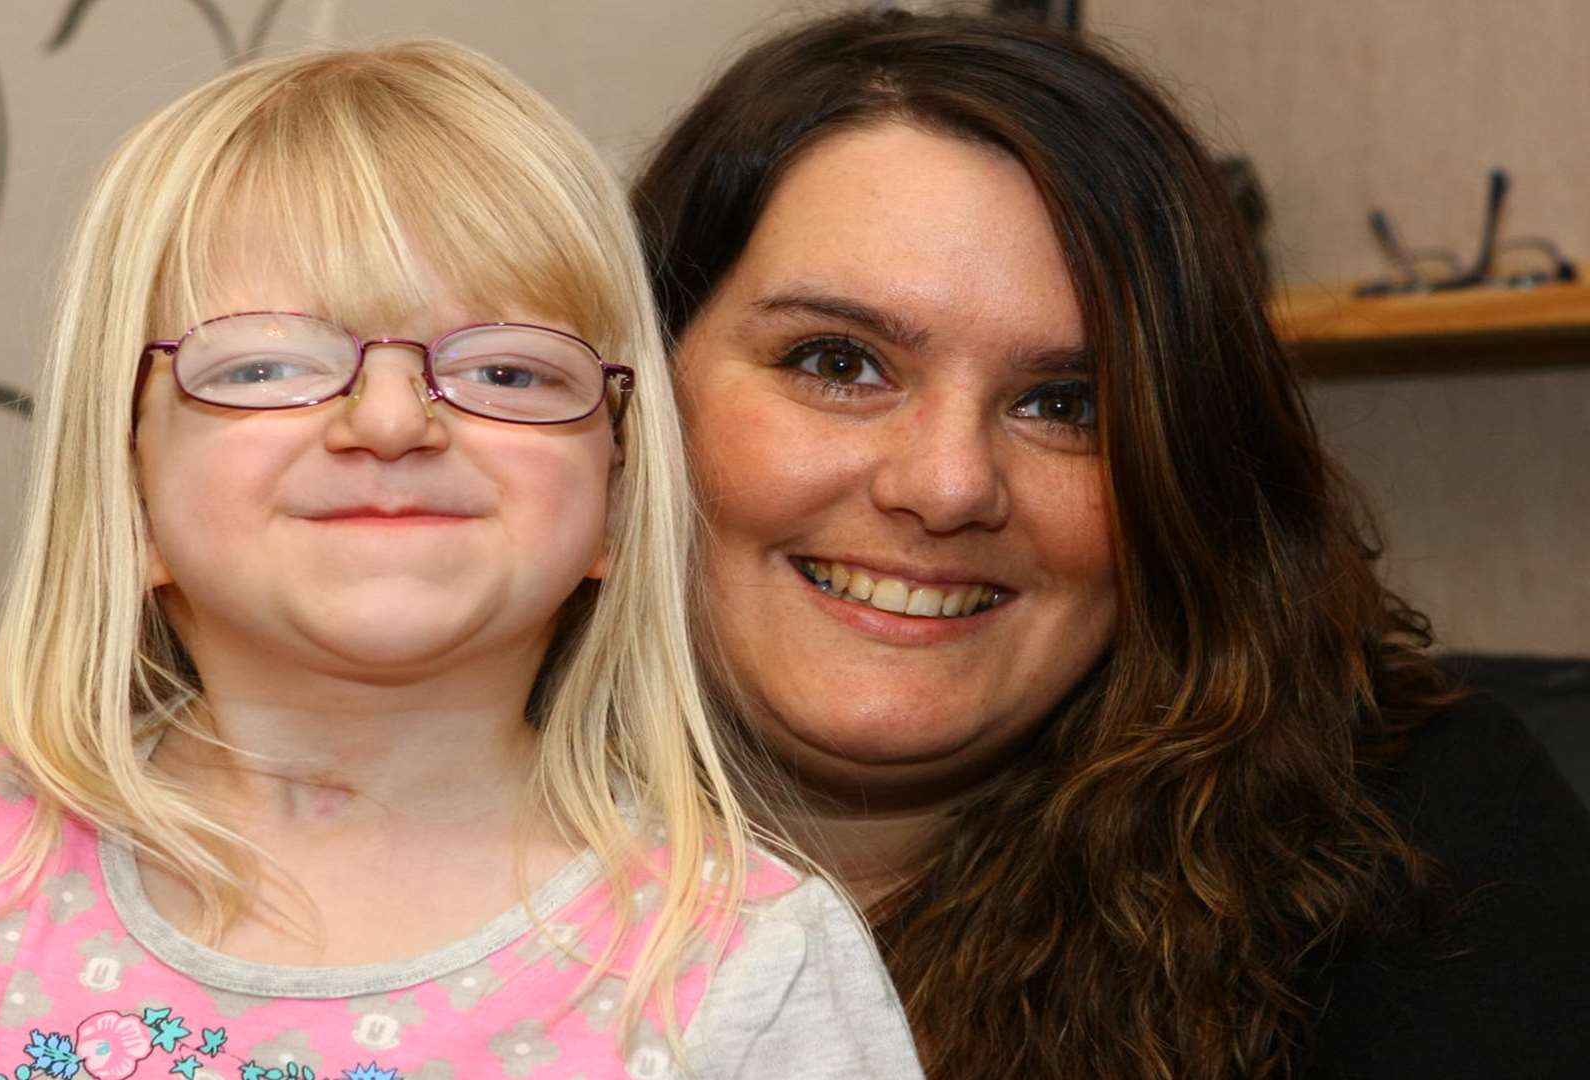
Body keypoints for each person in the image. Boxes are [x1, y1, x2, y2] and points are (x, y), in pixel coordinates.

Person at [0, 42, 921, 1080]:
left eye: (507, 371)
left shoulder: (743, 964)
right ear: (125, 490)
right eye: (263, 366)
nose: (391, 422)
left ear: (615, 494)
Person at [633, 9, 1590, 1079]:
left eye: (1065, 402)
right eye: (838, 362)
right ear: (631, 389)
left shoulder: (1415, 849)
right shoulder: (427, 831)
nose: (948, 486)